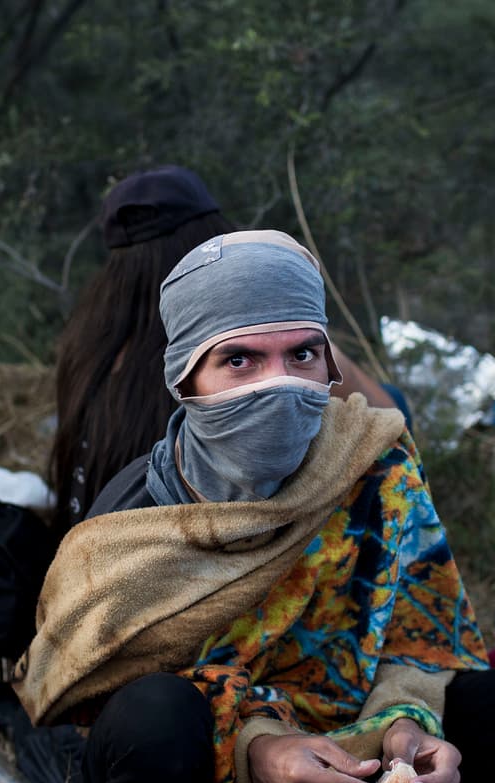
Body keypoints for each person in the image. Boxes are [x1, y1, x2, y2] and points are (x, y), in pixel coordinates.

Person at [15, 230, 495, 783]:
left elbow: (417, 635)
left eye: (303, 354)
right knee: (155, 719)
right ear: (184, 377)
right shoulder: (136, 514)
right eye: (240, 360)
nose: (280, 385)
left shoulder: (372, 464)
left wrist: (406, 726)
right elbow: (102, 701)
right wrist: (255, 747)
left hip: (351, 739)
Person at [49, 166, 398, 536]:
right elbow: (390, 418)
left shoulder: (87, 347)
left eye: (300, 355)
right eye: (238, 361)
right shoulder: (201, 343)